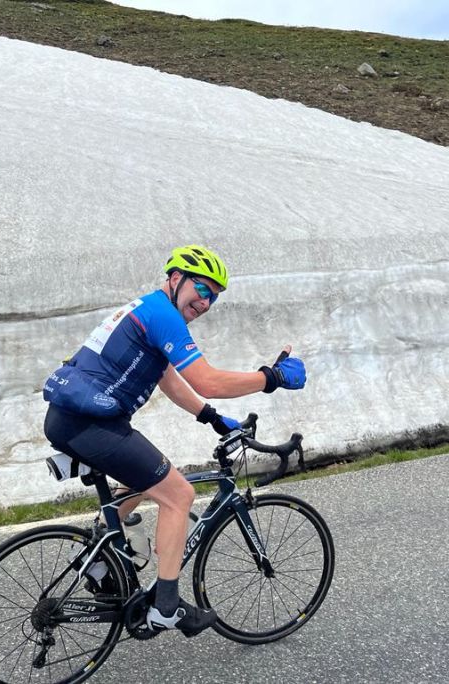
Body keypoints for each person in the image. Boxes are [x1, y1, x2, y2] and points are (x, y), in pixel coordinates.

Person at [42, 244, 306, 636]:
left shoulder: (149, 308)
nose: (206, 302)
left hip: (70, 419)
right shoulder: (163, 314)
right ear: (176, 278)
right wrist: (272, 377)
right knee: (179, 495)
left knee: (145, 476)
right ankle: (166, 607)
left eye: (214, 297)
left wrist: (209, 416)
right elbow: (207, 381)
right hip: (91, 424)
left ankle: (96, 555)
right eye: (202, 289)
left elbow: (166, 376)